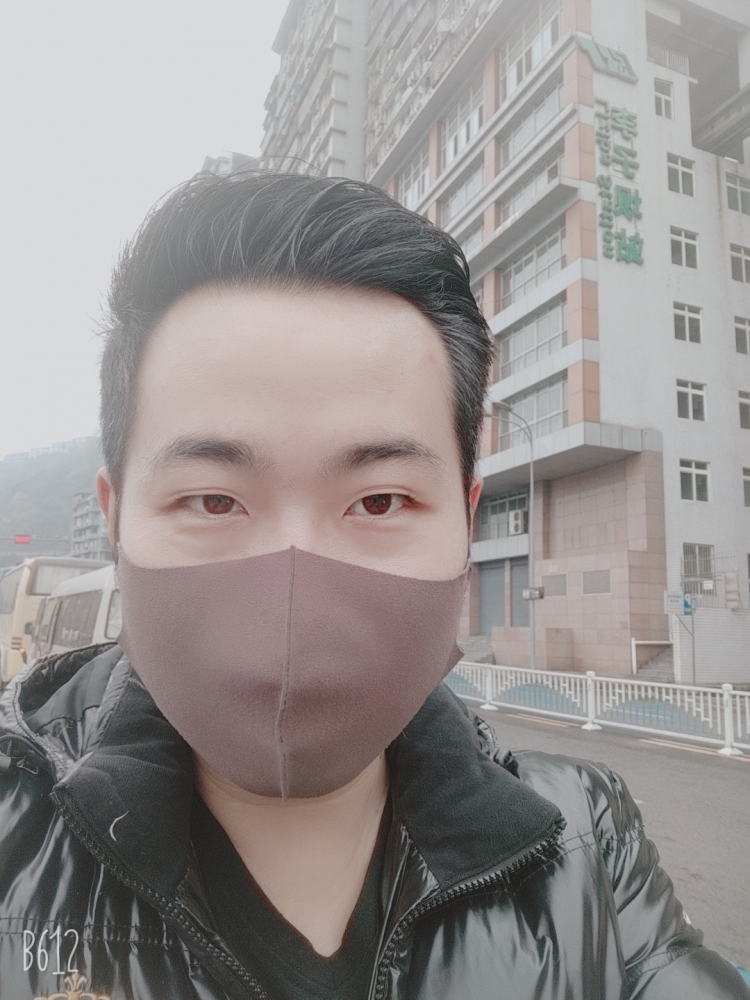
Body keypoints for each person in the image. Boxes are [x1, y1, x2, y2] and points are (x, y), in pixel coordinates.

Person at [0, 171, 747, 1000]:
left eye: (381, 500)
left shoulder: (585, 847)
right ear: (115, 518)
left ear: (466, 521)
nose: (292, 593)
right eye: (213, 500)